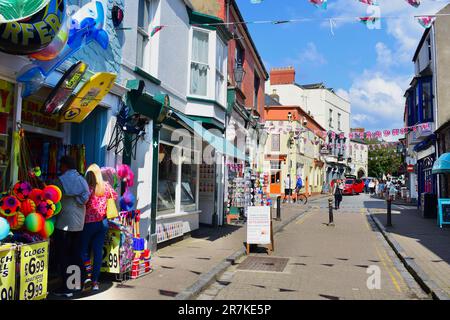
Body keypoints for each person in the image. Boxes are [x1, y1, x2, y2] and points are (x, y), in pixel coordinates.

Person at [52, 156, 90, 297]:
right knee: (75, 254)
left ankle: (68, 287)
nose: (60, 168)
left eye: (61, 165)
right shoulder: (81, 180)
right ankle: (78, 282)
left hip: (64, 224)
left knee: (64, 256)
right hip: (79, 224)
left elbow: (52, 194)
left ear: (65, 166)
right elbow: (85, 198)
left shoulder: (61, 181)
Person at [81, 164, 118, 292]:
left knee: (83, 251)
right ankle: (95, 282)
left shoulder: (88, 189)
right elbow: (115, 196)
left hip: (89, 224)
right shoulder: (106, 187)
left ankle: (88, 276)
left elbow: (82, 202)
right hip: (103, 223)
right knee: (97, 253)